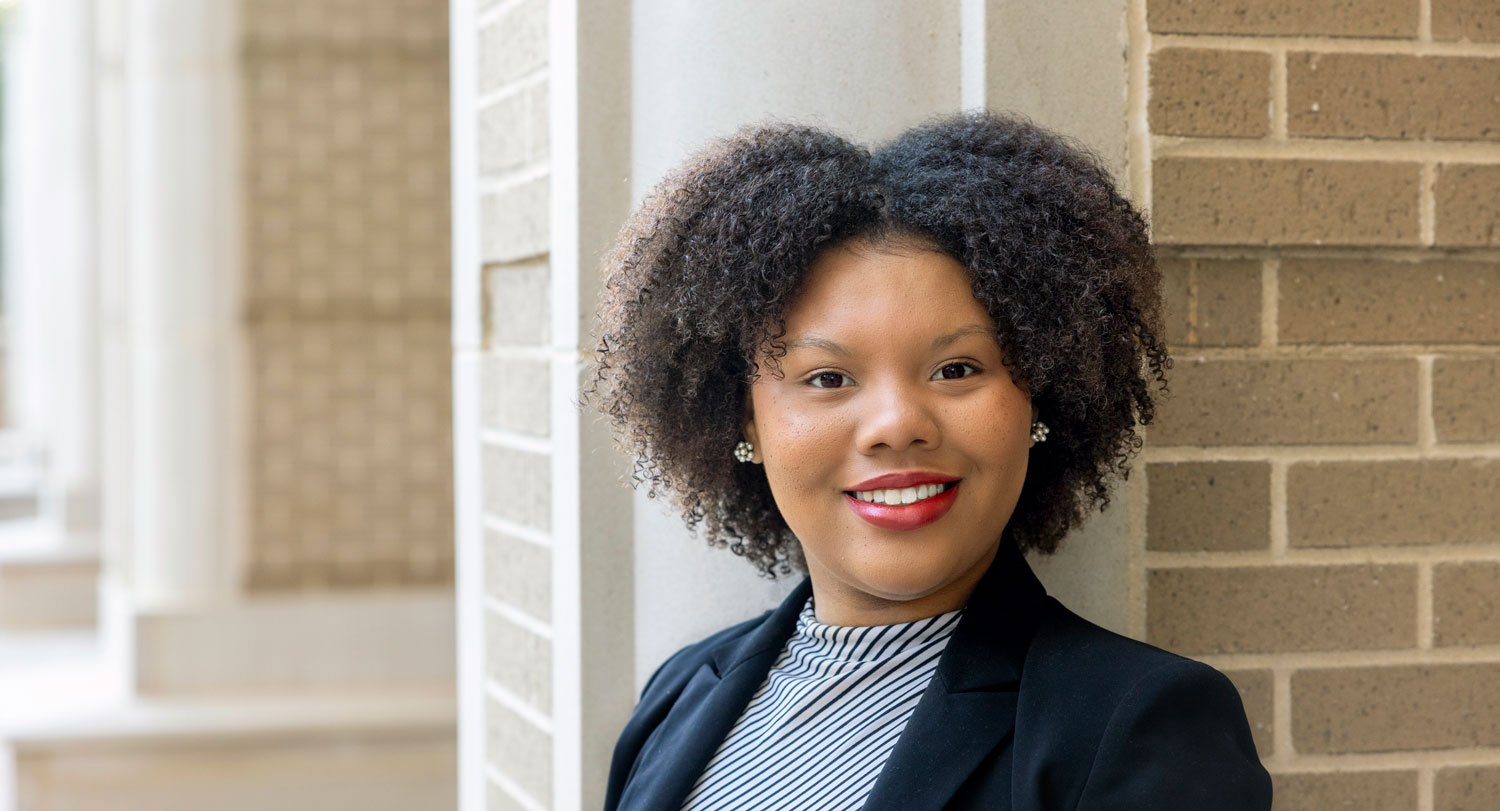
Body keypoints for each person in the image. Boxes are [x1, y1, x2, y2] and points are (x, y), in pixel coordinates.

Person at [590, 111, 1272, 810]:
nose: (896, 426)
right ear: (744, 420)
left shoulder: (1137, 726)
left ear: (1039, 394)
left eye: (955, 368)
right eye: (827, 377)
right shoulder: (678, 694)